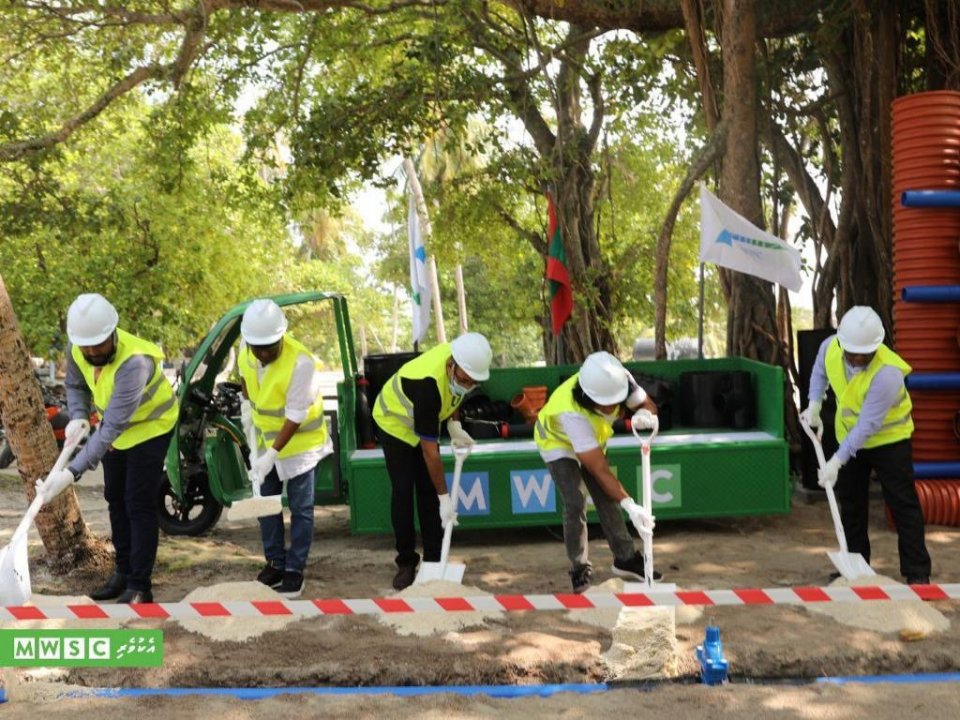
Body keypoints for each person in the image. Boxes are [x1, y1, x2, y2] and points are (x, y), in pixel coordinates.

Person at [35, 293, 178, 604]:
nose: (91, 352)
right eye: (85, 346)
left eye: (98, 345)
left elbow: (110, 428)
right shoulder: (78, 347)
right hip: (116, 430)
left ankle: (140, 585)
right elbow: (75, 386)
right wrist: (77, 416)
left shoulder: (134, 363)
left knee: (137, 502)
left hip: (150, 429)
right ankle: (123, 572)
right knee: (115, 497)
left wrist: (71, 472)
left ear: (113, 332)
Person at [801, 306, 932, 585]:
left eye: (865, 354)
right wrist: (814, 402)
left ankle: (917, 572)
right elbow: (819, 372)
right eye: (854, 353)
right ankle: (856, 568)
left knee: (902, 503)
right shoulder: (830, 348)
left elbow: (868, 426)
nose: (859, 358)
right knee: (851, 504)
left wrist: (837, 460)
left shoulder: (888, 373)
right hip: (848, 436)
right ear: (841, 342)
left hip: (890, 440)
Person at [373, 333, 493, 590]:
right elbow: (431, 453)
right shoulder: (427, 385)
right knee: (404, 490)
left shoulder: (463, 360)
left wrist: (455, 423)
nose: (467, 384)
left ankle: (434, 559)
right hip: (394, 422)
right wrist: (445, 499)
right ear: (452, 365)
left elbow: (453, 396)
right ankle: (406, 562)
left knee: (427, 492)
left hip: (423, 417)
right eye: (464, 379)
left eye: (472, 383)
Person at [534, 351, 661, 594]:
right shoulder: (572, 412)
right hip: (556, 442)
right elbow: (599, 470)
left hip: (592, 441)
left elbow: (649, 406)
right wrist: (630, 505)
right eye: (607, 403)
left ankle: (625, 559)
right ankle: (579, 567)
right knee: (574, 500)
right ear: (590, 397)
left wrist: (645, 413)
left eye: (616, 400)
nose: (614, 406)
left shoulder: (621, 381)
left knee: (606, 497)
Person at [238, 299, 332, 599]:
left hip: (302, 444)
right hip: (267, 442)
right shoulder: (246, 349)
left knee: (301, 508)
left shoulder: (300, 362)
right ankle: (275, 563)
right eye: (258, 347)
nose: (264, 353)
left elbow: (294, 416)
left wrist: (272, 457)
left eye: (270, 346)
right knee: (266, 504)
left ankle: (295, 568)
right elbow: (245, 377)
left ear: (281, 337)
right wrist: (246, 406)